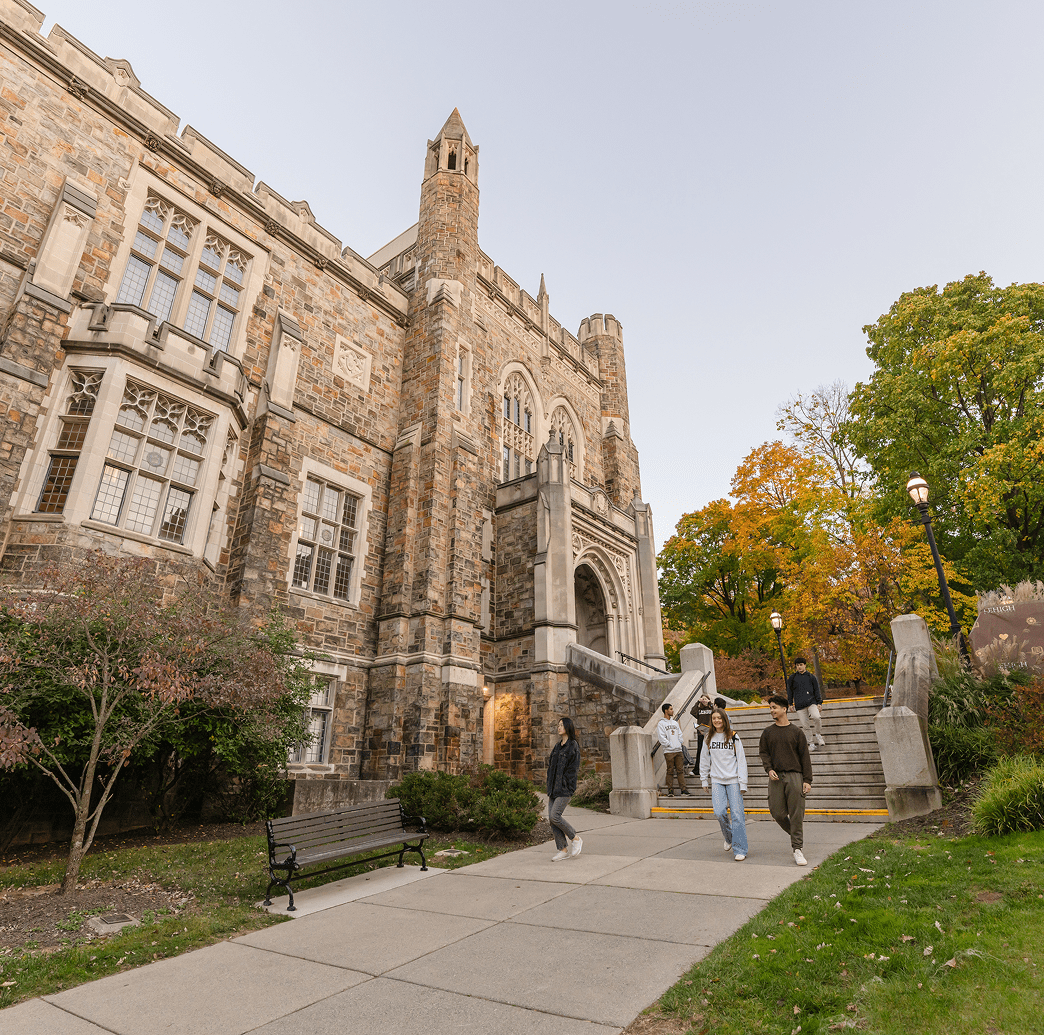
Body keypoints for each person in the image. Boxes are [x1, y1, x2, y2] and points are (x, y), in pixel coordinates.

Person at [758, 693, 813, 866]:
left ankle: (797, 848)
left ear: (784, 709)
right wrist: (769, 769)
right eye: (770, 708)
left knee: (797, 814)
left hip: (795, 776)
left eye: (774, 707)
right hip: (776, 778)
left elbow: (805, 757)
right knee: (777, 812)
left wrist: (807, 780)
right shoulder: (767, 733)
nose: (771, 711)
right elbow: (764, 753)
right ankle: (796, 834)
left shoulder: (797, 732)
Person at [699, 707, 749, 861]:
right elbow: (704, 760)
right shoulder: (708, 737)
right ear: (711, 721)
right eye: (714, 718)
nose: (717, 720)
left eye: (719, 718)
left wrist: (743, 783)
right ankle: (729, 838)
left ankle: (740, 848)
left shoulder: (733, 737)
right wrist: (704, 779)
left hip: (733, 780)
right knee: (719, 812)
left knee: (737, 815)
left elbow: (741, 760)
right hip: (717, 780)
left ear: (724, 719)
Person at [547, 716, 582, 861]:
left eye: (561, 725)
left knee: (555, 816)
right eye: (558, 725)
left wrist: (567, 784)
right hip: (553, 789)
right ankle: (562, 849)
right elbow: (551, 767)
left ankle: (575, 838)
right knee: (552, 819)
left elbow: (573, 769)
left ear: (568, 727)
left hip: (565, 789)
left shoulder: (573, 745)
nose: (559, 727)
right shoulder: (557, 746)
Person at [787, 656, 825, 751]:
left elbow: (817, 690)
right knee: (805, 725)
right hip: (799, 705)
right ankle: (811, 743)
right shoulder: (792, 678)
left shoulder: (811, 677)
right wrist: (790, 703)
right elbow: (790, 691)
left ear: (805, 665)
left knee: (817, 717)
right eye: (797, 665)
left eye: (801, 665)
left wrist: (819, 702)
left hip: (811, 702)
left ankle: (818, 734)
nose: (799, 667)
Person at [657, 703, 689, 797]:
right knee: (670, 771)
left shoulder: (675, 723)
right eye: (671, 709)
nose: (672, 710)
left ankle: (683, 790)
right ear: (666, 711)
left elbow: (680, 734)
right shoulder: (661, 723)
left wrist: (679, 743)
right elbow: (661, 737)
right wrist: (669, 745)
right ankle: (670, 791)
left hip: (678, 750)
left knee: (680, 770)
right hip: (669, 751)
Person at [691, 693, 713, 777]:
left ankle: (712, 769)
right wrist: (697, 702)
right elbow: (692, 712)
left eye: (705, 699)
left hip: (710, 733)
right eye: (702, 699)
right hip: (701, 733)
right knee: (700, 751)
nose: (704, 700)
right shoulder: (699, 710)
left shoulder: (711, 708)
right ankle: (697, 769)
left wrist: (710, 703)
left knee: (711, 751)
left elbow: (715, 712)